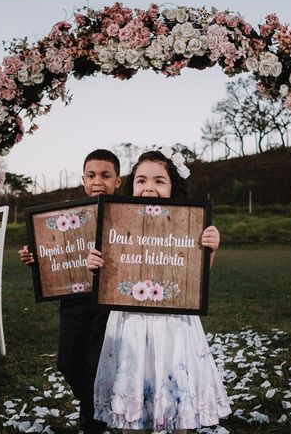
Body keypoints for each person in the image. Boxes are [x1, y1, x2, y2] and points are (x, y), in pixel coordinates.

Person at [87, 149, 231, 433]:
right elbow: (108, 270)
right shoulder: (117, 222)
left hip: (174, 324)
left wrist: (210, 249)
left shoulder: (186, 223)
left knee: (174, 390)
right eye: (141, 180)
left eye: (158, 181)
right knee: (132, 389)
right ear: (131, 185)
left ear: (172, 187)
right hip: (130, 322)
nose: (148, 187)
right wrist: (95, 264)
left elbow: (196, 277)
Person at [19, 148, 122, 434]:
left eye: (105, 175)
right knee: (66, 362)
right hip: (73, 299)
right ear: (83, 179)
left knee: (93, 365)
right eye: (91, 175)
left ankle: (93, 423)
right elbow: (56, 251)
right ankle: (94, 405)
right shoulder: (68, 214)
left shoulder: (124, 213)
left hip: (108, 302)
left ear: (118, 181)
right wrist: (36, 257)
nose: (97, 181)